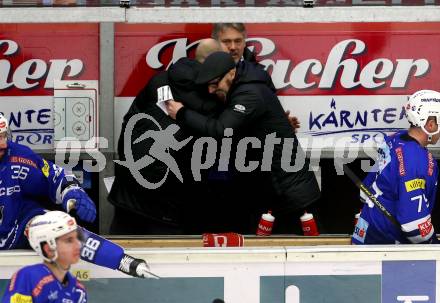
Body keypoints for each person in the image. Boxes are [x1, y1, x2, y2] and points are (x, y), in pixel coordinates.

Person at [166, 51, 321, 234]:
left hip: (292, 194)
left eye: (215, 84)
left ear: (231, 74)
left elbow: (222, 130)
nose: (211, 90)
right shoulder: (241, 89)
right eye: (208, 85)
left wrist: (183, 113)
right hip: (274, 190)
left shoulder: (250, 94)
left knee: (306, 255)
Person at [0, 114, 153, 278]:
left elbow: (54, 175)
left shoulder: (18, 155)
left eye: (3, 136)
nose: (3, 143)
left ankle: (124, 262)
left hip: (19, 222)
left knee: (59, 227)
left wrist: (73, 191)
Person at [109, 38, 222, 235]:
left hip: (128, 192)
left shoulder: (159, 80)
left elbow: (130, 122)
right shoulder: (210, 103)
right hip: (167, 206)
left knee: (120, 259)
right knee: (167, 263)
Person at [352, 89, 440, 244]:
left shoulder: (395, 138)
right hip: (385, 249)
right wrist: (433, 245)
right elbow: (415, 228)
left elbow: (364, 191)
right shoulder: (418, 162)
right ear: (430, 125)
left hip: (364, 233)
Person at [212, 22, 300, 130]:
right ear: (215, 43)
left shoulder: (259, 74)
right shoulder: (205, 72)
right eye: (226, 42)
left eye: (238, 41)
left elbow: (267, 113)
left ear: (244, 43)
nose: (233, 47)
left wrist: (280, 123)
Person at [2, 211, 87, 303]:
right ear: (49, 249)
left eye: (77, 238)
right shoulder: (28, 278)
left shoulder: (79, 289)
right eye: (69, 240)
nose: (78, 245)